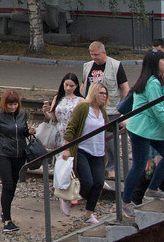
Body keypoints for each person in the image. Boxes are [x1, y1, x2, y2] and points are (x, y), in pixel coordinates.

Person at [120, 49, 164, 218]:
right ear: (155, 63)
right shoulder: (152, 83)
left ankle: (153, 188)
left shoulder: (157, 81)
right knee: (139, 165)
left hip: (153, 130)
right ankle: (125, 201)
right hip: (142, 130)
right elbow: (158, 109)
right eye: (163, 60)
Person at [0, 89, 32, 233]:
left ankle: (5, 211)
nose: (12, 107)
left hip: (19, 155)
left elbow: (22, 131)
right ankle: (8, 221)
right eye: (9, 104)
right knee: (8, 185)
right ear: (5, 104)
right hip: (4, 154)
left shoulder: (22, 114)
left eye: (15, 104)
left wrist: (29, 132)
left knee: (13, 185)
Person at [63, 83, 110, 224]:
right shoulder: (84, 108)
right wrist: (67, 148)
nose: (104, 96)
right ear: (95, 93)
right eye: (102, 93)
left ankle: (89, 214)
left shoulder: (102, 111)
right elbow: (71, 127)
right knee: (87, 182)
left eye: (106, 94)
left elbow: (108, 127)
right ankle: (69, 197)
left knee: (99, 183)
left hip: (98, 152)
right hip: (83, 150)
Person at [81, 41, 130, 178]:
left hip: (111, 110)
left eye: (96, 54)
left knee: (110, 141)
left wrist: (125, 109)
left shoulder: (116, 65)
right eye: (92, 54)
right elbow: (84, 85)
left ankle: (113, 167)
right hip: (92, 109)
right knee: (94, 139)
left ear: (104, 52)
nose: (94, 57)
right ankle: (98, 166)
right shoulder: (87, 66)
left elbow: (125, 88)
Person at [42, 72, 84, 215]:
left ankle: (70, 189)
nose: (68, 88)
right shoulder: (58, 98)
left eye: (71, 86)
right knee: (61, 162)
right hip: (60, 132)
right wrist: (46, 112)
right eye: (66, 85)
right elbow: (53, 118)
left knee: (72, 162)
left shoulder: (80, 100)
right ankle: (62, 188)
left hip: (73, 133)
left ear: (76, 86)